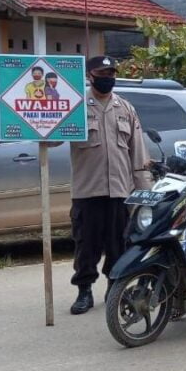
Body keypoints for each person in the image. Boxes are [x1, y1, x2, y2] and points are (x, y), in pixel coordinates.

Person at [67, 55, 151, 315]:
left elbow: (137, 152)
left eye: (111, 74)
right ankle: (84, 291)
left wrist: (145, 192)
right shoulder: (76, 108)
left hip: (120, 192)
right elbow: (54, 139)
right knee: (86, 246)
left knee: (118, 246)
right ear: (90, 76)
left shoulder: (125, 108)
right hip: (88, 191)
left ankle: (114, 289)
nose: (108, 79)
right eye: (103, 74)